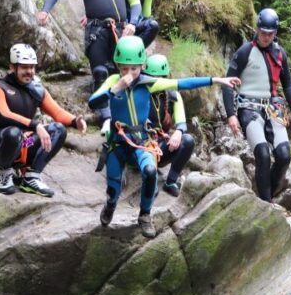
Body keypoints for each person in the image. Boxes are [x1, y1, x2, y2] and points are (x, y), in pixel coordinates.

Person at [90, 36, 240, 238]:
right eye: (124, 68)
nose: (129, 74)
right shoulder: (112, 81)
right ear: (118, 66)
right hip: (118, 143)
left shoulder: (147, 83)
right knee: (113, 187)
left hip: (142, 142)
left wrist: (216, 80)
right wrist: (116, 89)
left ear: (141, 65)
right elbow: (93, 102)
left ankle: (145, 215)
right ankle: (110, 205)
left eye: (134, 68)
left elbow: (181, 84)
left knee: (150, 171)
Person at [0, 43, 87, 197]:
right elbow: (3, 115)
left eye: (32, 67)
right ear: (12, 67)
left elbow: (57, 112)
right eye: (24, 67)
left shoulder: (36, 90)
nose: (29, 71)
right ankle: (4, 171)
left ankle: (31, 177)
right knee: (13, 133)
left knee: (58, 130)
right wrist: (35, 125)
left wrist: (75, 121)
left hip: (24, 144)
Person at [222, 8, 291, 202]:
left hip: (273, 108)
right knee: (263, 155)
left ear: (275, 33)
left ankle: (267, 196)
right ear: (257, 29)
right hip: (248, 109)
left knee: (284, 156)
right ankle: (266, 204)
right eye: (263, 32)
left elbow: (288, 84)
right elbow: (227, 84)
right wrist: (231, 114)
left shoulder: (279, 54)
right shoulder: (245, 52)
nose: (266, 37)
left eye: (270, 33)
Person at [143, 54, 194, 197]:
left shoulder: (173, 95)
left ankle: (171, 181)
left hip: (159, 147)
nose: (157, 81)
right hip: (140, 146)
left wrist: (178, 132)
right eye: (152, 77)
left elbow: (182, 122)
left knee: (188, 140)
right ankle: (149, 180)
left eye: (161, 77)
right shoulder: (140, 93)